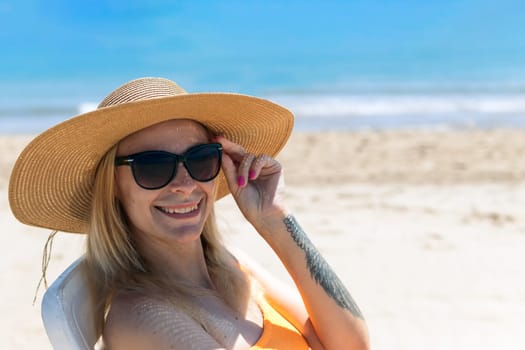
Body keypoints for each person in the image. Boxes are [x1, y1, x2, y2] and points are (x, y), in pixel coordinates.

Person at [9, 77, 369, 349]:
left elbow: (353, 344)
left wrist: (274, 219)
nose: (184, 183)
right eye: (153, 166)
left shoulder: (234, 267)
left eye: (200, 159)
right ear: (113, 190)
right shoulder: (143, 317)